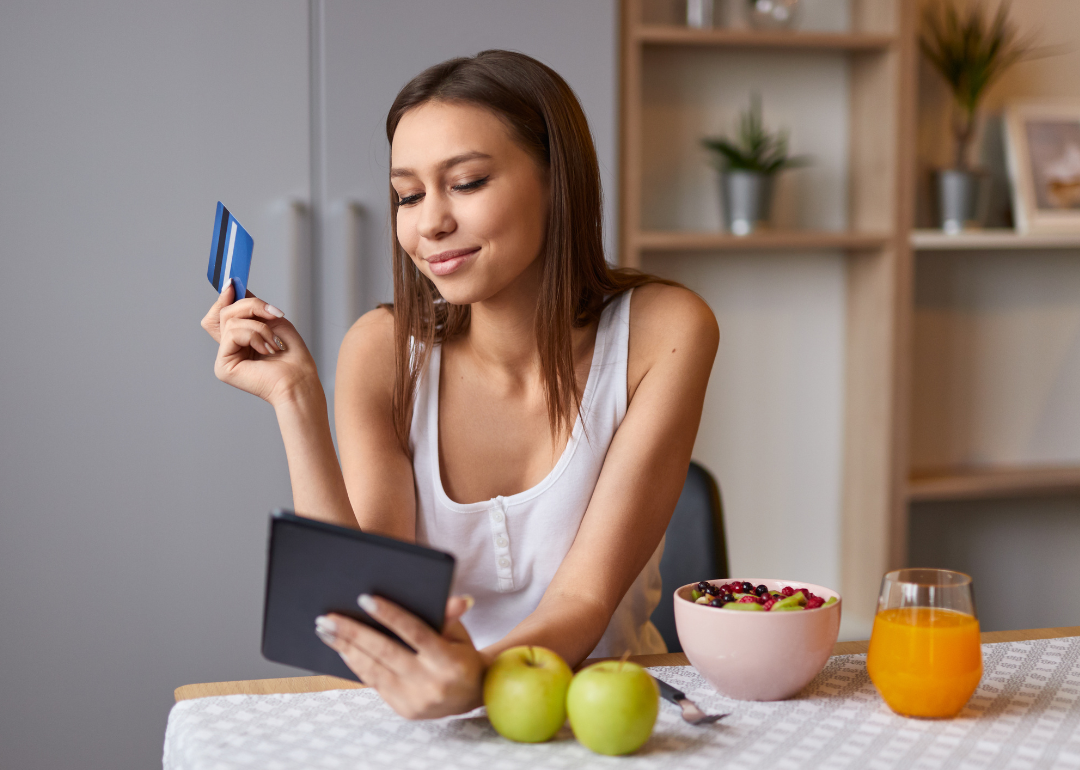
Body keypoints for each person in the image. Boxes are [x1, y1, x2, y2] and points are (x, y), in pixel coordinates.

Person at [200, 50, 717, 720]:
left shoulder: (665, 331)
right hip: (422, 716)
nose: (429, 223)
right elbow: (368, 605)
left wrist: (476, 680)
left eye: (467, 182)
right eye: (408, 196)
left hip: (598, 721)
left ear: (558, 181)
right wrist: (294, 398)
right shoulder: (382, 352)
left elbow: (583, 603)